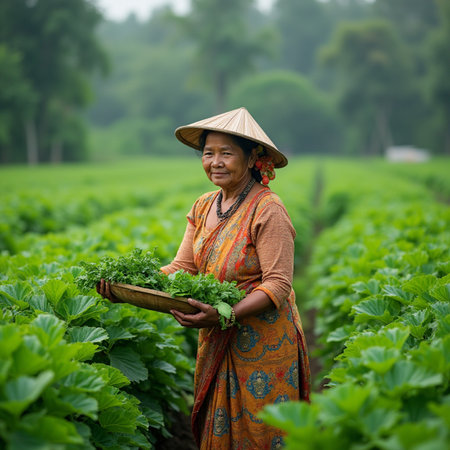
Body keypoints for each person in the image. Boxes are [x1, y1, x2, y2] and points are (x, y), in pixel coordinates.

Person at [99, 107, 310, 449]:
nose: (216, 162)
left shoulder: (268, 209)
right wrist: (126, 286)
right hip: (215, 335)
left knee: (261, 432)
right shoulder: (202, 206)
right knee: (219, 428)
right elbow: (182, 268)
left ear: (252, 156)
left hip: (262, 342)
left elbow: (278, 284)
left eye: (227, 153)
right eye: (209, 154)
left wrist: (225, 314)